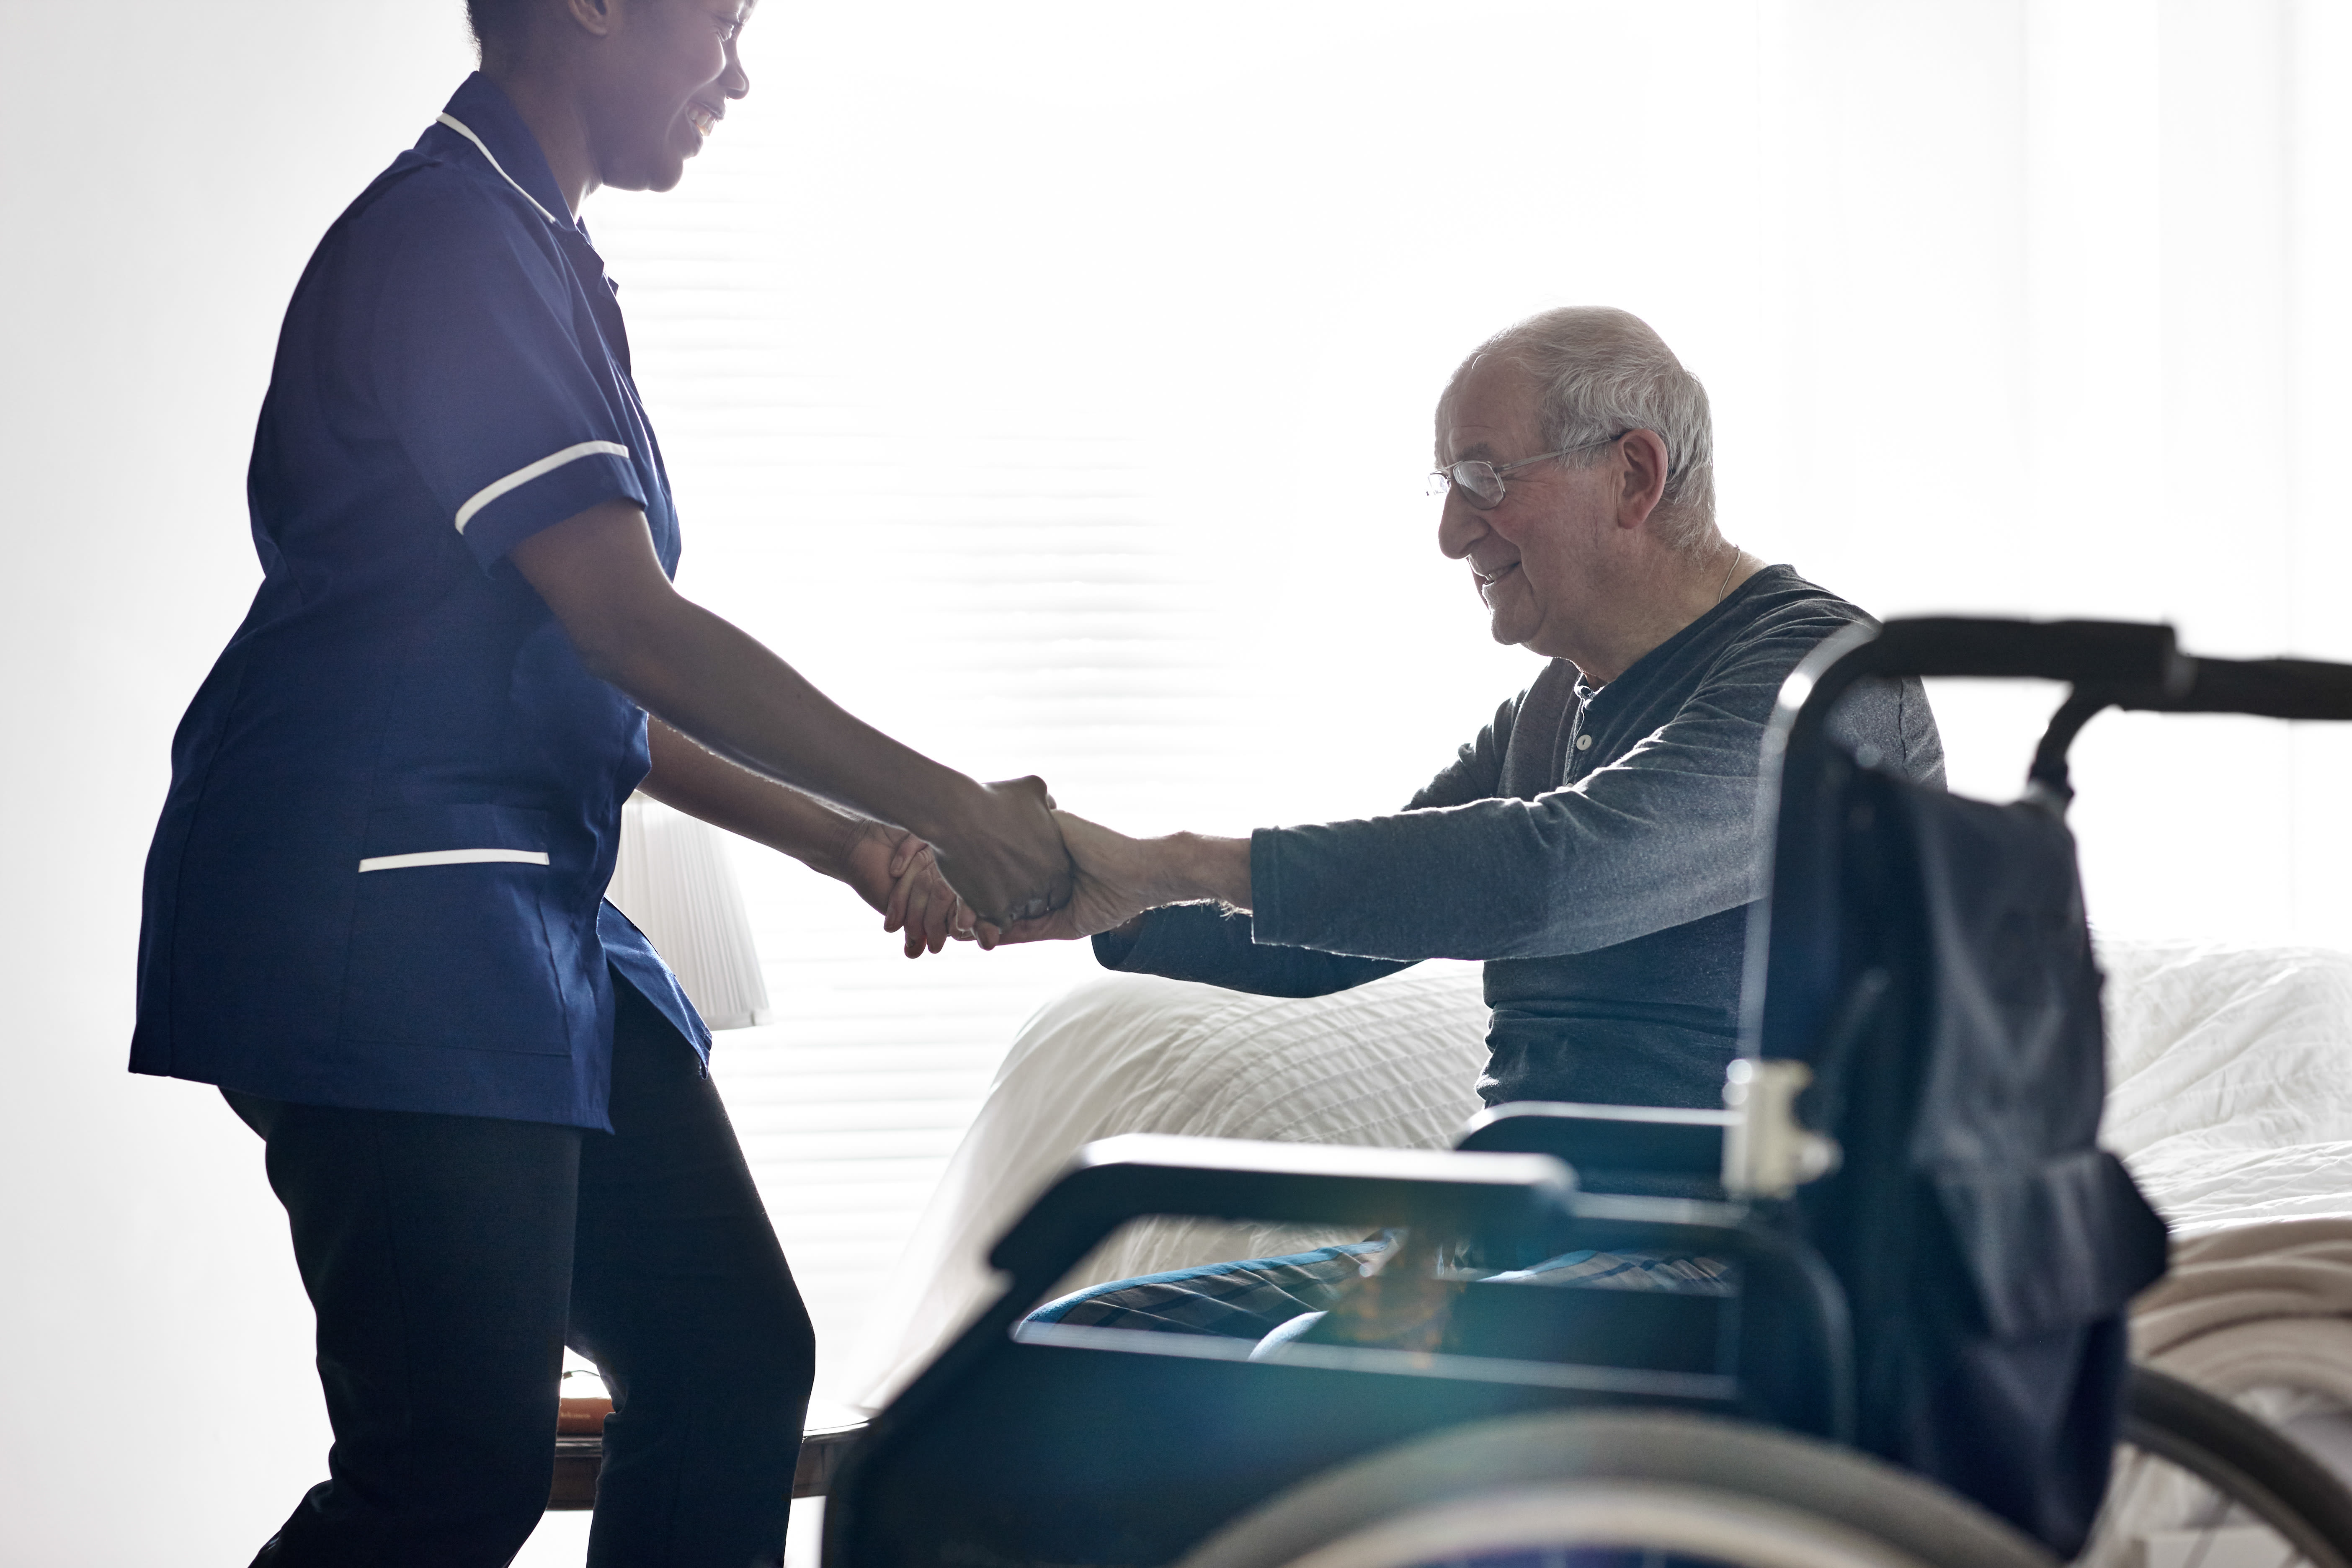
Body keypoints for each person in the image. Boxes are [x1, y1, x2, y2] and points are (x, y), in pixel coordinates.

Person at [129, 3, 1066, 1564]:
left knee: (727, 1365)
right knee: (445, 1472)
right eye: (726, 20)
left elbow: (590, 681)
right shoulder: (445, 242)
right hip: (379, 912)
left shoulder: (542, 256)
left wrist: (853, 841)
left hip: (517, 909)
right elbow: (635, 622)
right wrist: (963, 806)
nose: (741, 72)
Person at [993, 307, 1945, 1340]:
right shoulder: (1554, 702)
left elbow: (1552, 878)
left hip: (1730, 1251)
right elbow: (1345, 933)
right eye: (1446, 484)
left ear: (1633, 475)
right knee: (1080, 1349)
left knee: (1308, 1371)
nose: (1451, 533)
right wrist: (1091, 887)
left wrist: (1172, 860)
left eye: (1484, 479)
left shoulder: (1824, 688)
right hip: (1518, 1234)